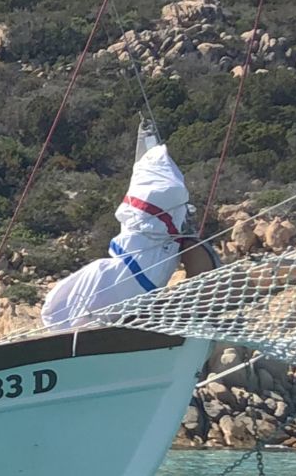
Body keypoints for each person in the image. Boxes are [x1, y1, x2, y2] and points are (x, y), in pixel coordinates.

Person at [42, 123, 191, 331]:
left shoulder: (157, 222)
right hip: (140, 274)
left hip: (133, 271)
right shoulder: (171, 233)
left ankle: (74, 328)